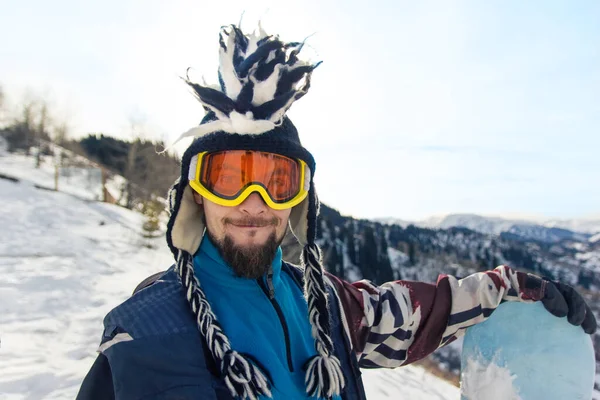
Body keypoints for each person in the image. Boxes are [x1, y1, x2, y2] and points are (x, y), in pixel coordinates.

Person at [77, 24, 596, 400]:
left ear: (299, 200)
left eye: (278, 182)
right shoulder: (145, 337)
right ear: (196, 194)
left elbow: (415, 313)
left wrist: (504, 290)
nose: (254, 203)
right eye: (230, 179)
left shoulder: (325, 306)